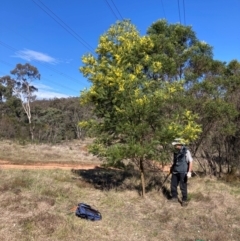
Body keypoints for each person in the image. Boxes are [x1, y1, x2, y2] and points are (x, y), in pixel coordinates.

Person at [169, 138, 193, 207]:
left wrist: (189, 172)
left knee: (183, 186)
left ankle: (184, 200)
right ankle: (174, 197)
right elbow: (175, 161)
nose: (175, 146)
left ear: (179, 144)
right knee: (173, 185)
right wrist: (172, 168)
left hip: (183, 172)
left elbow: (190, 161)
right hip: (175, 171)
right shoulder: (175, 151)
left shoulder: (186, 151)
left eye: (176, 145)